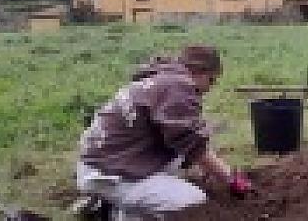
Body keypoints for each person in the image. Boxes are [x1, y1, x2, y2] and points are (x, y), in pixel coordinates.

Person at [75, 45, 252, 220]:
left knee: (177, 159)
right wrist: (231, 179)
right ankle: (108, 205)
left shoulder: (158, 79)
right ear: (200, 71)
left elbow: (183, 138)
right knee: (194, 204)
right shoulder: (178, 85)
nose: (209, 88)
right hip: (110, 173)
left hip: (103, 163)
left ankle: (116, 210)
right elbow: (193, 145)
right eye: (211, 80)